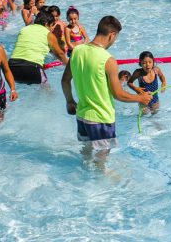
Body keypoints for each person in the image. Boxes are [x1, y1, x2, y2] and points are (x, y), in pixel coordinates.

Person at [61, 16, 151, 167]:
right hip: (101, 119)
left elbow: (65, 80)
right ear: (112, 35)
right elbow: (118, 94)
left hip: (82, 116)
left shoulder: (77, 51)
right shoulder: (108, 60)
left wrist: (69, 101)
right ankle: (100, 181)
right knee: (101, 160)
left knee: (86, 154)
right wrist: (140, 98)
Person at [9, 11, 68, 84]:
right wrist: (69, 65)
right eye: (52, 25)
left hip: (12, 67)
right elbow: (60, 54)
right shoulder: (48, 34)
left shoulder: (24, 29)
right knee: (47, 90)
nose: (52, 28)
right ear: (46, 24)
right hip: (32, 67)